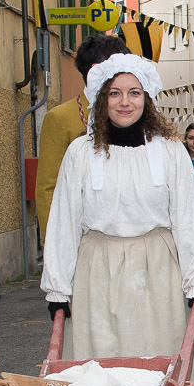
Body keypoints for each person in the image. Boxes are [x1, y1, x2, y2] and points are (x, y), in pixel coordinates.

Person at [40, 53, 194, 386]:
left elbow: (187, 219)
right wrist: (58, 290)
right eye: (115, 93)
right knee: (100, 367)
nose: (124, 102)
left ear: (147, 98)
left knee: (156, 362)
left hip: (157, 274)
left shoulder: (171, 151)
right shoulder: (80, 154)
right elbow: (64, 223)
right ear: (101, 99)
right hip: (96, 274)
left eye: (134, 92)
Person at [36, 35, 130, 241]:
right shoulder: (60, 118)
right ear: (97, 70)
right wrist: (56, 244)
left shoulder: (131, 112)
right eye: (121, 67)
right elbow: (47, 189)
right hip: (82, 237)